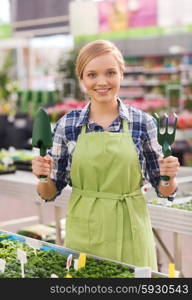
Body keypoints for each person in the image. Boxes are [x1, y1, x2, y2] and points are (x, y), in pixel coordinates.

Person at [32, 40, 180, 271]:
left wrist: (168, 177)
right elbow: (49, 193)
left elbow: (164, 191)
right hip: (84, 231)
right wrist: (42, 177)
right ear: (82, 80)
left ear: (121, 74)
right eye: (92, 74)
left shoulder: (143, 123)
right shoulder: (67, 125)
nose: (101, 82)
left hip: (131, 229)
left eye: (110, 72)